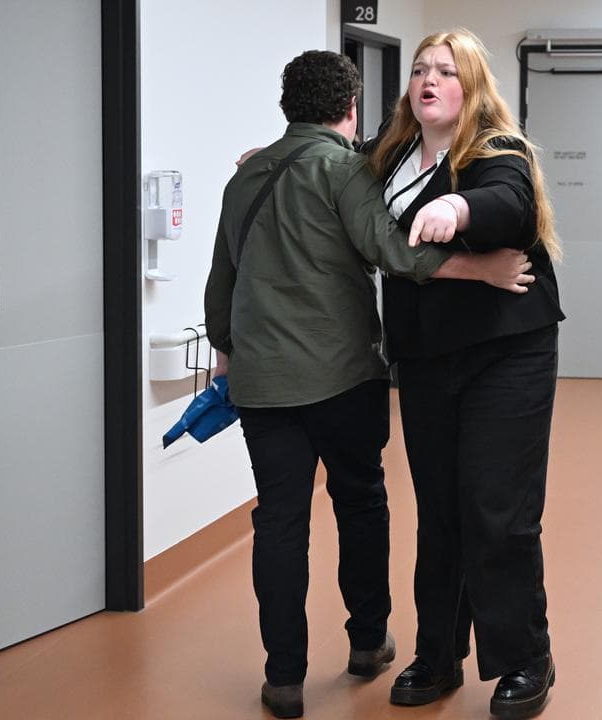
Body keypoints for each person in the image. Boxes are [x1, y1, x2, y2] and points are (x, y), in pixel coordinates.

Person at [203, 49, 535, 720]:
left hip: (262, 384)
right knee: (359, 505)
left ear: (287, 106)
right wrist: (481, 271)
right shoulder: (345, 171)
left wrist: (226, 351)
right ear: (351, 108)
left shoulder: (246, 177)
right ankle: (366, 641)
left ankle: (284, 677)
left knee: (279, 522)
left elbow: (221, 282)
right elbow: (393, 249)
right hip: (343, 377)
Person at [363, 29, 564, 720]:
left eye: (446, 71)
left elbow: (509, 202)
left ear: (471, 86)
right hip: (425, 355)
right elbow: (337, 167)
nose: (429, 80)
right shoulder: (391, 154)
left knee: (497, 510)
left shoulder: (497, 149)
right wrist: (279, 159)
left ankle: (526, 658)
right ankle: (438, 654)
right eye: (420, 69)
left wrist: (457, 206)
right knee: (441, 510)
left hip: (506, 351)